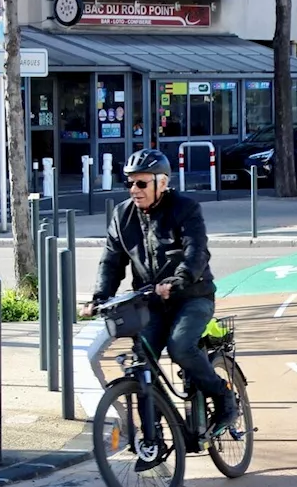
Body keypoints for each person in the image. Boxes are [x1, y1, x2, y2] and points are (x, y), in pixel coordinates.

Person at [81, 149, 238, 436]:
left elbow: (196, 251)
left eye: (142, 183)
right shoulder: (122, 216)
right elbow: (112, 261)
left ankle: (224, 397)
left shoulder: (186, 208)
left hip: (193, 296)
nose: (134, 190)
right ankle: (152, 439)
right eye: (130, 183)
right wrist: (99, 298)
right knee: (143, 360)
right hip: (151, 303)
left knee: (180, 347)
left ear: (162, 183)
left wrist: (180, 279)